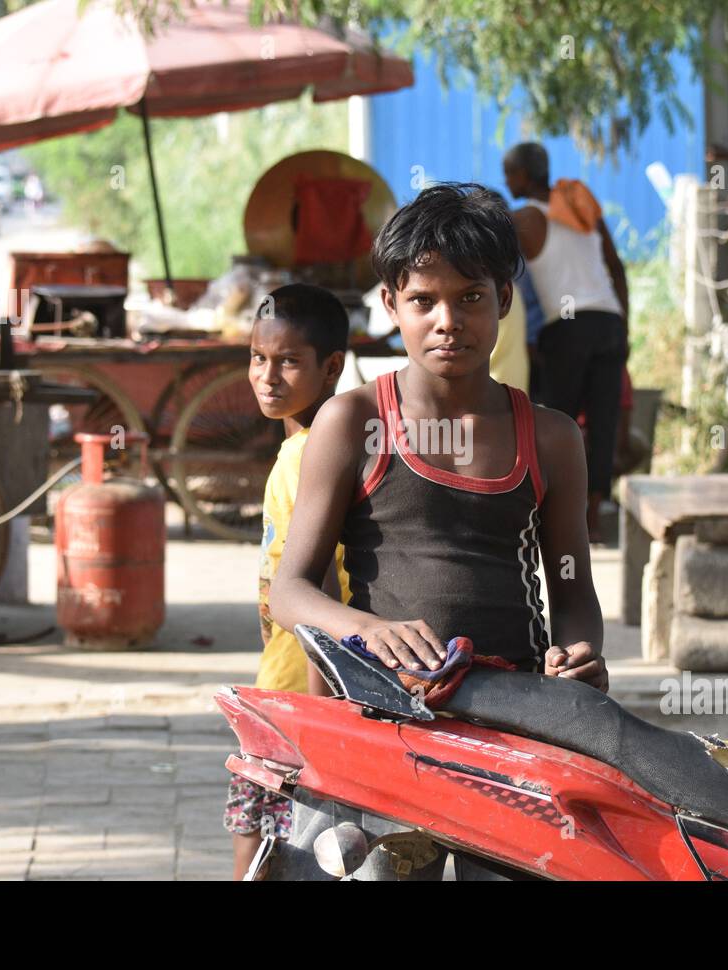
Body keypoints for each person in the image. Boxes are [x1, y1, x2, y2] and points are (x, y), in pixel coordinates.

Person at [268, 183, 605, 880]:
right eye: (423, 301)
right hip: (384, 719)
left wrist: (579, 656)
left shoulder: (549, 437)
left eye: (470, 297)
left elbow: (571, 587)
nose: (447, 320)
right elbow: (290, 592)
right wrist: (367, 629)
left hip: (513, 724)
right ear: (390, 306)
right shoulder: (353, 421)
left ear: (505, 299)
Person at [224, 282, 350, 880]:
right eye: (257, 358)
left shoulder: (308, 456)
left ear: (332, 368)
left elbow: (317, 592)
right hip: (288, 681)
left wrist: (319, 723)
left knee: (263, 837)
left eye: (289, 362)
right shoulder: (309, 444)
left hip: (301, 694)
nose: (267, 376)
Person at [503, 142, 629, 543]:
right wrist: (625, 324)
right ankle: (591, 518)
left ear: (523, 175)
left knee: (558, 422)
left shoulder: (525, 219)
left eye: (509, 174)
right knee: (603, 422)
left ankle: (551, 517)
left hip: (569, 325)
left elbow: (487, 253)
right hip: (609, 320)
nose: (506, 182)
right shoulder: (583, 208)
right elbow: (616, 266)